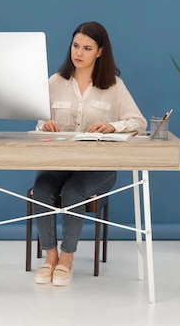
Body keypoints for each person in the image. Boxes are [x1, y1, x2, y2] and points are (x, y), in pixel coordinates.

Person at [33, 21, 146, 287]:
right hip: (59, 162)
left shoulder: (114, 86)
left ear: (100, 52)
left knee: (73, 192)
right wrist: (44, 124)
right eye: (75, 46)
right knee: (42, 189)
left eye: (87, 48)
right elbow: (37, 122)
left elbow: (139, 122)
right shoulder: (55, 82)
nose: (79, 53)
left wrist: (113, 126)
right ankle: (50, 258)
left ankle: (67, 259)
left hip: (99, 169)